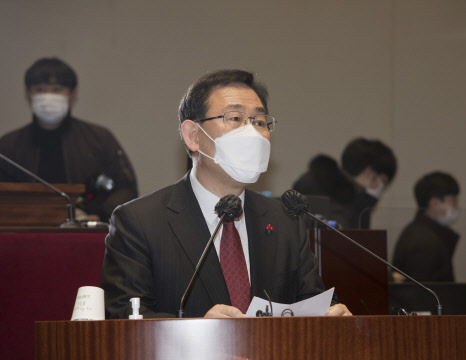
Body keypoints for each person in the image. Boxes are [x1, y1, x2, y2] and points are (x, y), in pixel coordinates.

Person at [101, 69, 351, 319]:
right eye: (235, 118)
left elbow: (310, 304)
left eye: (260, 122)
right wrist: (200, 330)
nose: (252, 132)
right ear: (193, 135)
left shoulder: (285, 220)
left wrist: (329, 317)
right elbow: (124, 317)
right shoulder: (139, 221)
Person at [0, 57, 138, 221]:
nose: (48, 96)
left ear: (72, 94)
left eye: (57, 89)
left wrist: (100, 215)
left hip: (84, 233)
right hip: (24, 231)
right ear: (28, 93)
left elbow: (125, 188)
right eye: (40, 89)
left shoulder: (99, 139)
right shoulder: (9, 145)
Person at [293, 138, 397, 228]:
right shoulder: (354, 206)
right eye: (383, 182)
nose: (381, 190)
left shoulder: (310, 184)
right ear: (368, 173)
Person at [391, 171, 460, 282]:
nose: (458, 207)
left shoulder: (418, 232)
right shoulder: (425, 242)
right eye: (453, 201)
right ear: (434, 203)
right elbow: (421, 294)